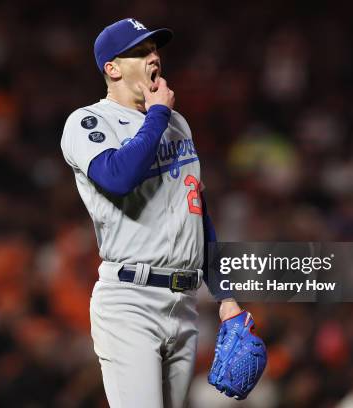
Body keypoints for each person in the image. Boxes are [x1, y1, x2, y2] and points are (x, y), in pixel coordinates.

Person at [60, 18, 241, 408]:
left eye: (154, 49)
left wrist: (226, 297)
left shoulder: (177, 124)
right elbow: (118, 177)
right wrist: (157, 116)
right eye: (140, 52)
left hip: (185, 304)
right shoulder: (89, 121)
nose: (153, 57)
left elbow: (198, 213)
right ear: (112, 68)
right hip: (130, 300)